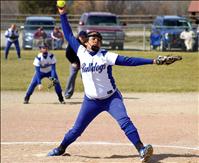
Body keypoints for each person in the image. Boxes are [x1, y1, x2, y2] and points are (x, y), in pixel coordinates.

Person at [47, 5, 181, 162]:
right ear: (86, 42)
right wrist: (63, 15)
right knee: (76, 130)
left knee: (124, 121)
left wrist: (153, 61)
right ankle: (61, 148)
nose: (96, 40)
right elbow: (68, 35)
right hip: (90, 101)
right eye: (93, 38)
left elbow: (129, 61)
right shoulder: (81, 52)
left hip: (111, 99)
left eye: (98, 39)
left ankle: (141, 149)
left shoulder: (106, 56)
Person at [64, 31, 88, 99]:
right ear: (78, 37)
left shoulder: (88, 43)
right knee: (72, 76)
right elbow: (67, 54)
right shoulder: (73, 43)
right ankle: (67, 93)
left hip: (84, 63)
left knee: (86, 77)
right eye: (81, 37)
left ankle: (88, 93)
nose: (82, 38)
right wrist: (73, 62)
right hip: (75, 63)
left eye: (84, 37)